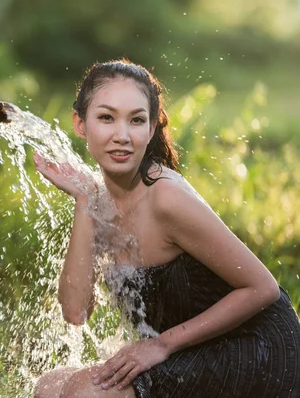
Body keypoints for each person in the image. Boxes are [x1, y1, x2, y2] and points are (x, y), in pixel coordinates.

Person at [32, 59, 300, 398]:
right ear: (80, 124)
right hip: (189, 351)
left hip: (255, 349)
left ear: (152, 127)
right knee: (50, 387)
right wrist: (84, 202)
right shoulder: (98, 200)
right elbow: (76, 312)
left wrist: (161, 344)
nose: (122, 136)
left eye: (137, 120)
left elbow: (264, 289)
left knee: (88, 393)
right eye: (106, 118)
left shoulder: (165, 198)